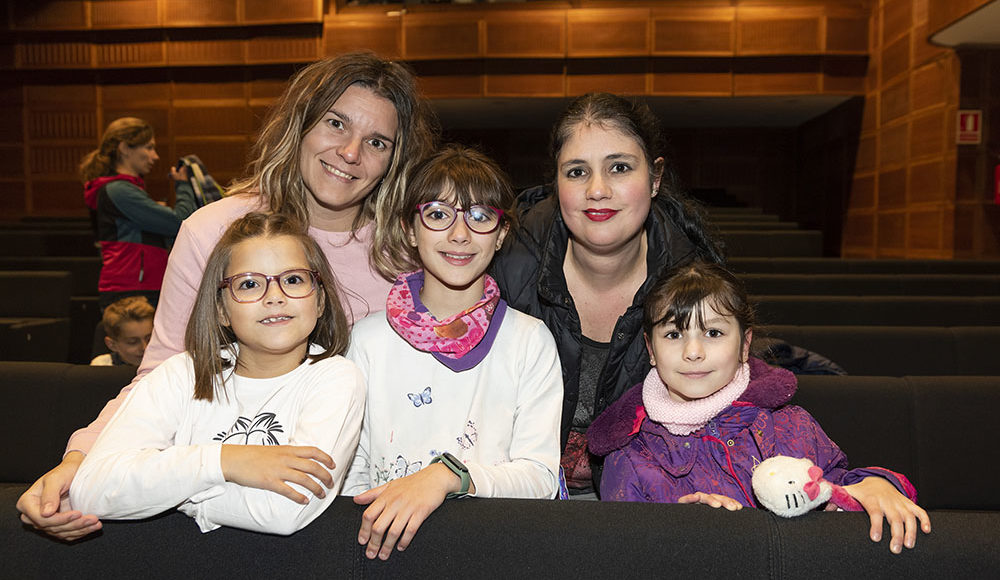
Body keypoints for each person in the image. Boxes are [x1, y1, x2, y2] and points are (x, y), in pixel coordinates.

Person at [18, 51, 436, 540]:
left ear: (395, 160)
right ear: (299, 124)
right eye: (335, 123)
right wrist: (81, 461)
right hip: (221, 495)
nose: (350, 152)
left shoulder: (410, 253)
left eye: (377, 141)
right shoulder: (213, 230)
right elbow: (163, 372)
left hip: (360, 507)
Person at [587, 261, 932, 554]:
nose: (693, 352)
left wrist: (874, 486)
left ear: (744, 344)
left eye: (713, 333)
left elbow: (835, 490)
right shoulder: (631, 457)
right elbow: (625, 554)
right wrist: (677, 532)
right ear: (650, 349)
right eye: (674, 335)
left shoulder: (792, 426)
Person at [68, 212, 365, 535]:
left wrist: (170, 495)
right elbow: (91, 490)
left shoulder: (336, 379)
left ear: (320, 300)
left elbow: (285, 509)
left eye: (293, 279)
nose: (275, 297)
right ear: (222, 310)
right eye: (249, 284)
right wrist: (224, 461)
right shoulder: (182, 373)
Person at [491, 92, 727, 496]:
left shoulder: (696, 283)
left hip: (643, 502)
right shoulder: (503, 269)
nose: (597, 190)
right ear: (557, 184)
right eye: (577, 172)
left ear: (655, 178)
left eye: (619, 167)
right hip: (513, 496)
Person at [344, 145, 562, 560]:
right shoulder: (367, 340)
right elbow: (352, 472)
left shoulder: (529, 341)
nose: (460, 234)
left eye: (479, 216)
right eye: (438, 214)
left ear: (501, 234)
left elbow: (540, 477)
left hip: (492, 551)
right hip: (386, 551)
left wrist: (448, 476)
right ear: (410, 230)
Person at [81, 117, 197, 310]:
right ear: (125, 148)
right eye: (149, 147)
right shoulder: (119, 190)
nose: (155, 156)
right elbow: (180, 222)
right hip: (131, 291)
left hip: (141, 286)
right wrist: (184, 185)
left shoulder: (125, 189)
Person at [89, 295, 154, 366]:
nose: (145, 348)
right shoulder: (102, 365)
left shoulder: (162, 362)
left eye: (149, 339)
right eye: (133, 342)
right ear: (112, 345)